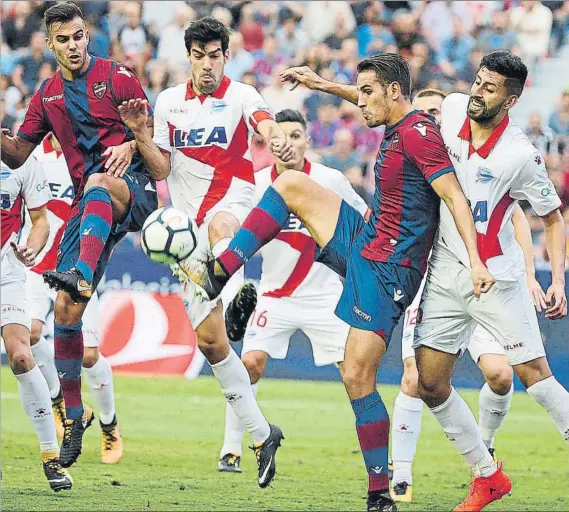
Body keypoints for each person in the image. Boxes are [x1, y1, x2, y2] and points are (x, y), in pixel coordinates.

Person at [182, 53, 494, 511]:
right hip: (367, 241)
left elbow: (453, 196)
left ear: (394, 93)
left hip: (389, 270)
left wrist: (477, 261)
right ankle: (218, 272)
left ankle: (378, 493)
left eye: (368, 92)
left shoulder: (419, 136)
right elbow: (367, 100)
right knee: (290, 184)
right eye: (359, 92)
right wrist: (323, 84)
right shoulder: (396, 118)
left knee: (356, 375)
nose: (360, 103)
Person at [117, 17, 294, 489]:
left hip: (231, 202)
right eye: (199, 55)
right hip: (186, 229)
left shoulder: (241, 95)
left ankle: (236, 297)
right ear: (189, 56)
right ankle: (261, 435)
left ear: (225, 56)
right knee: (214, 345)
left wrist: (274, 137)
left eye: (215, 55)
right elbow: (162, 167)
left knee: (223, 227)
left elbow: (264, 122)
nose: (207, 64)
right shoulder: (170, 102)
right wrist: (139, 132)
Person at [1, 2, 158, 468]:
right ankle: (73, 417)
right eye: (63, 39)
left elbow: (155, 145)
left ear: (87, 35)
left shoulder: (119, 77)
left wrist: (133, 141)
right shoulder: (47, 95)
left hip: (132, 192)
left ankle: (80, 273)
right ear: (50, 43)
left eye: (78, 36)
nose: (73, 45)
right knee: (66, 313)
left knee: (97, 185)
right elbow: (15, 156)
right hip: (86, 211)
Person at [414, 50, 569, 511]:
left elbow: (552, 217)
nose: (478, 92)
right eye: (478, 81)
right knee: (430, 385)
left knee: (533, 376)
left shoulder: (520, 154)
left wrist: (556, 277)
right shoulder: (455, 108)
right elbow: (400, 114)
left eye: (490, 87)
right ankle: (488, 477)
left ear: (511, 99)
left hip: (497, 279)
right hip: (445, 273)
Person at [389, 88, 549, 504]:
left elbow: (521, 221)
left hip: (489, 280)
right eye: (422, 114)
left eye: (434, 114)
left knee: (511, 374)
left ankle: (487, 450)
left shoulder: (493, 157)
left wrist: (535, 276)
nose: (427, 123)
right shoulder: (413, 166)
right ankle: (406, 474)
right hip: (438, 281)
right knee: (420, 378)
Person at [217, 109, 368, 472]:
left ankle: (379, 461)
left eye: (296, 136)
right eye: (280, 138)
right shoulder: (255, 184)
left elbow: (364, 220)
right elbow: (233, 229)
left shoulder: (330, 179)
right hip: (273, 294)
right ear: (270, 144)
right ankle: (231, 448)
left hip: (325, 295)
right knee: (249, 364)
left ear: (307, 141)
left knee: (355, 373)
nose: (288, 144)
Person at [24, 133, 123, 464]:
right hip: (37, 267)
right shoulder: (31, 156)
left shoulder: (91, 158)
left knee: (89, 357)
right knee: (29, 334)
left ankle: (109, 424)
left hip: (78, 269)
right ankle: (60, 403)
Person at [1, 155, 72, 491]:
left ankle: (51, 458)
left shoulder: (21, 160)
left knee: (22, 355)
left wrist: (32, 248)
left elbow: (41, 220)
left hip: (7, 276)